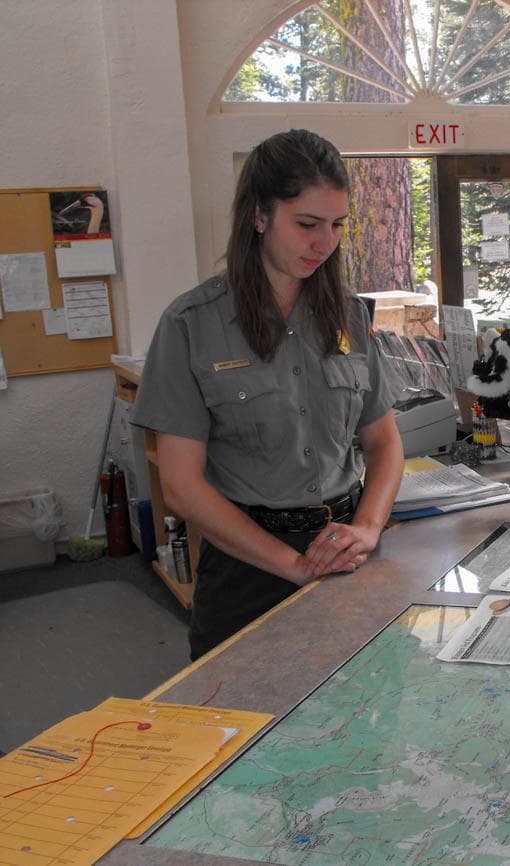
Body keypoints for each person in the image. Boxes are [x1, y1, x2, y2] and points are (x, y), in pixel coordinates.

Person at [132, 129, 404, 660]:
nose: (324, 244)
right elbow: (182, 486)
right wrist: (293, 566)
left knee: (363, 718)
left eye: (336, 226)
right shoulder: (191, 325)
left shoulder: (347, 316)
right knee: (241, 725)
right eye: (306, 224)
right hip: (247, 566)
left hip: (345, 552)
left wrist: (367, 529)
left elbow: (384, 443)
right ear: (259, 215)